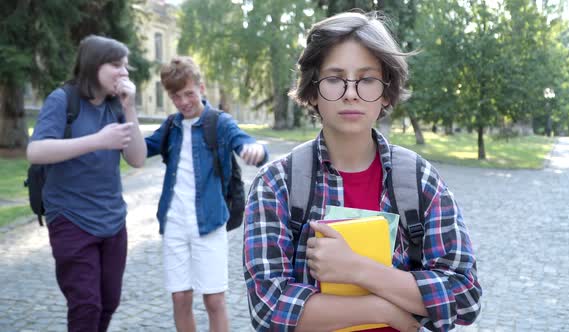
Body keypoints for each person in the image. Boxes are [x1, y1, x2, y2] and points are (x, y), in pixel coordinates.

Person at [243, 12, 482, 332]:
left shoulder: (419, 179)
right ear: (312, 90)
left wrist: (357, 269)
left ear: (386, 91)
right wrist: (384, 309)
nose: (351, 92)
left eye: (367, 79)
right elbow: (269, 310)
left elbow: (465, 297)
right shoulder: (276, 186)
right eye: (334, 78)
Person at [26, 35, 146, 332]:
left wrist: (130, 109)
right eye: (116, 65)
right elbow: (36, 151)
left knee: (108, 302)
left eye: (126, 67)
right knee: (85, 305)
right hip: (70, 218)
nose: (124, 73)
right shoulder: (62, 100)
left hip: (113, 220)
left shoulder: (116, 106)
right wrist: (97, 141)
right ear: (94, 65)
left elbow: (138, 159)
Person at [144, 56, 268, 332]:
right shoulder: (172, 126)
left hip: (209, 221)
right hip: (174, 221)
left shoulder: (218, 122)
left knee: (214, 300)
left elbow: (243, 140)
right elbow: (140, 150)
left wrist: (255, 149)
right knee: (180, 297)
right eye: (176, 96)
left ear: (201, 88)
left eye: (188, 93)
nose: (184, 101)